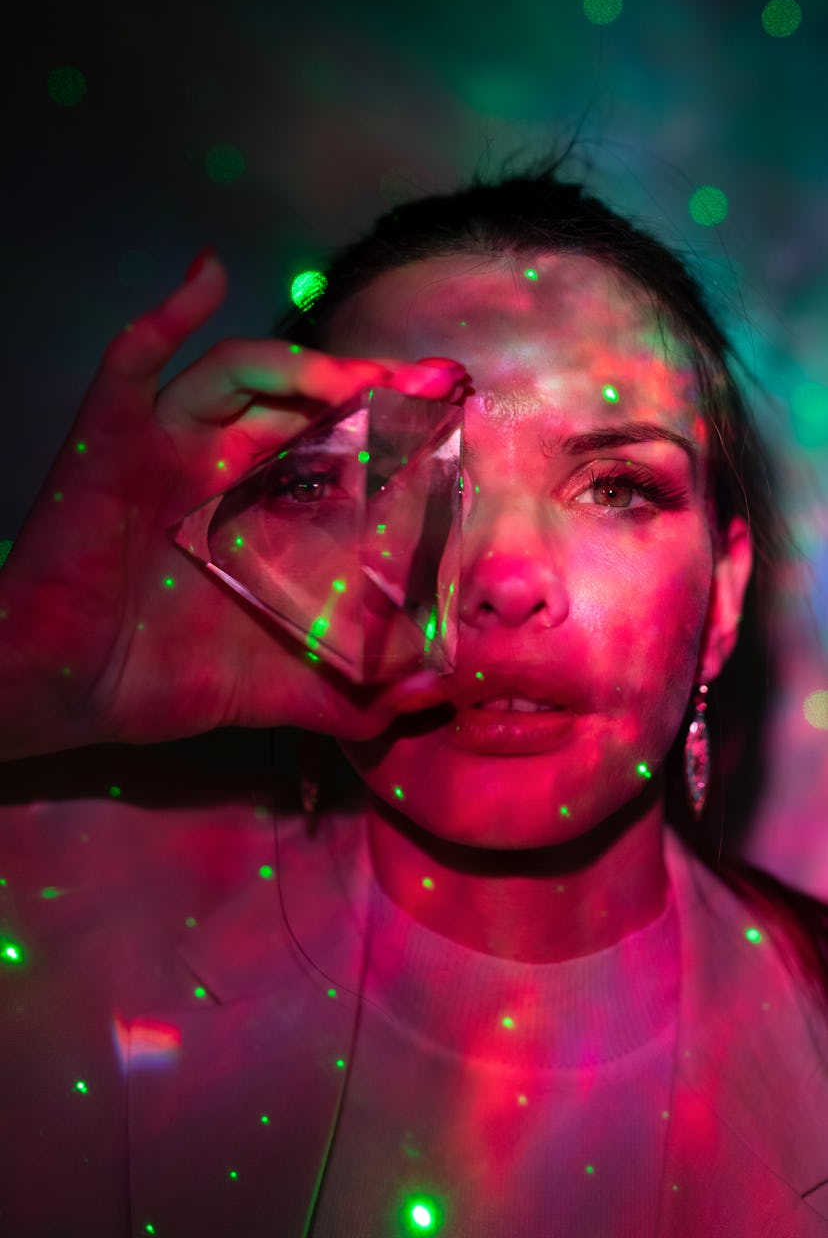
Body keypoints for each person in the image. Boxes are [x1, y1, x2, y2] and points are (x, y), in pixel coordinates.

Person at [1, 163, 827, 1238]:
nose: (502, 571)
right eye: (407, 477)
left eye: (617, 486)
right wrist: (25, 683)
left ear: (721, 597)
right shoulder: (52, 920)